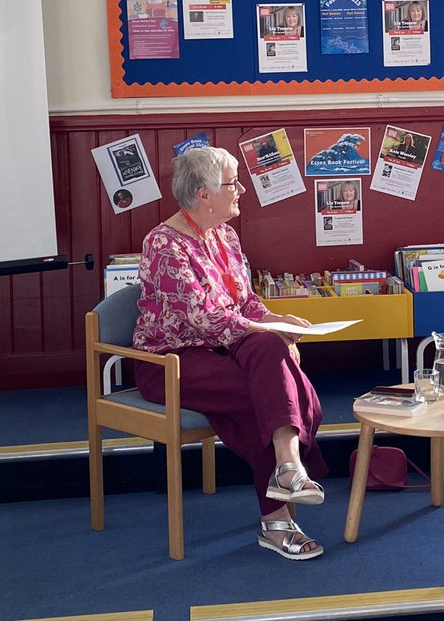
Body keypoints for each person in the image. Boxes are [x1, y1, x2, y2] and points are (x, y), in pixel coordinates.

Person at [132, 147, 327, 560]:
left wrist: (278, 320)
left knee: (271, 351)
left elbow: (246, 303)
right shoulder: (164, 244)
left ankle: (287, 472)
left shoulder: (225, 235)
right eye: (232, 183)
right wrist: (269, 330)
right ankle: (279, 506)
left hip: (224, 348)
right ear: (204, 194)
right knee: (271, 390)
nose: (241, 189)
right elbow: (205, 319)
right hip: (171, 360)